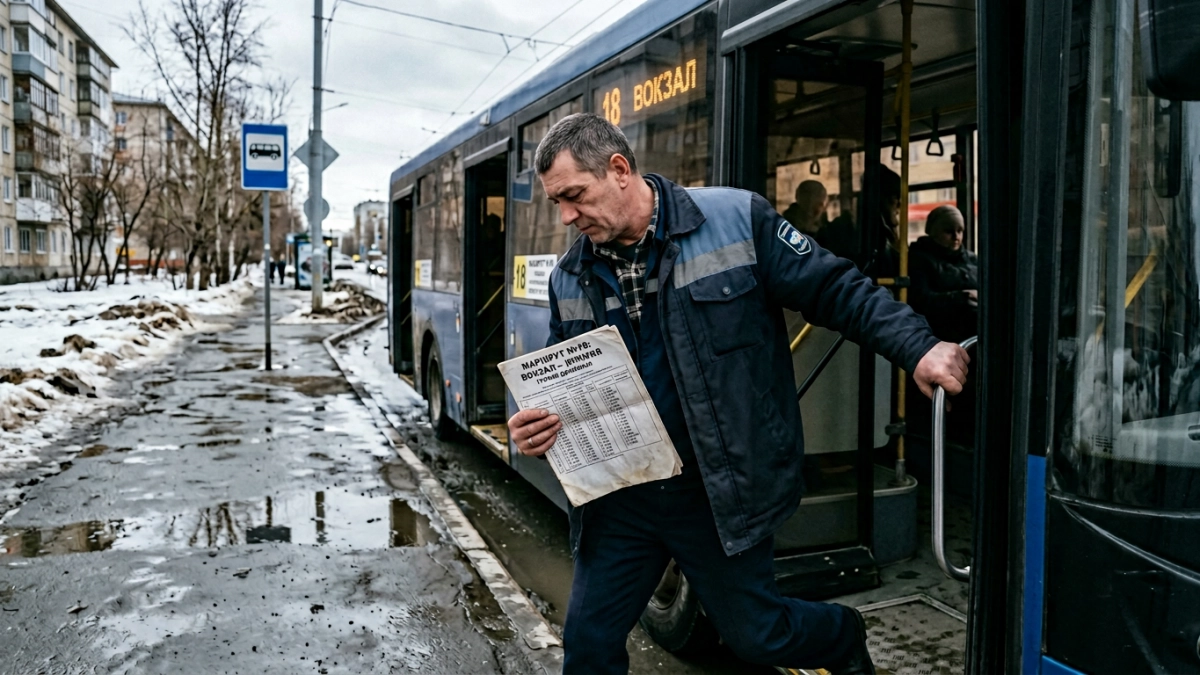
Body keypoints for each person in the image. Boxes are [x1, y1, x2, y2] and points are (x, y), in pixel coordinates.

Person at [506, 113, 968, 675]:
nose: (566, 217)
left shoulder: (735, 219)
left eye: (574, 196)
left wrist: (916, 347)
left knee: (758, 637)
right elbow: (560, 376)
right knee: (588, 647)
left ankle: (840, 634)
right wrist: (535, 424)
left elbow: (833, 288)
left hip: (716, 489)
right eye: (558, 202)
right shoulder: (568, 275)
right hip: (622, 499)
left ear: (619, 170)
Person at [908, 205, 977, 345]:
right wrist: (963, 297)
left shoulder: (973, 259)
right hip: (940, 336)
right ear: (933, 232)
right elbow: (921, 301)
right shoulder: (919, 260)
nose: (956, 237)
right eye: (948, 232)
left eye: (960, 231)